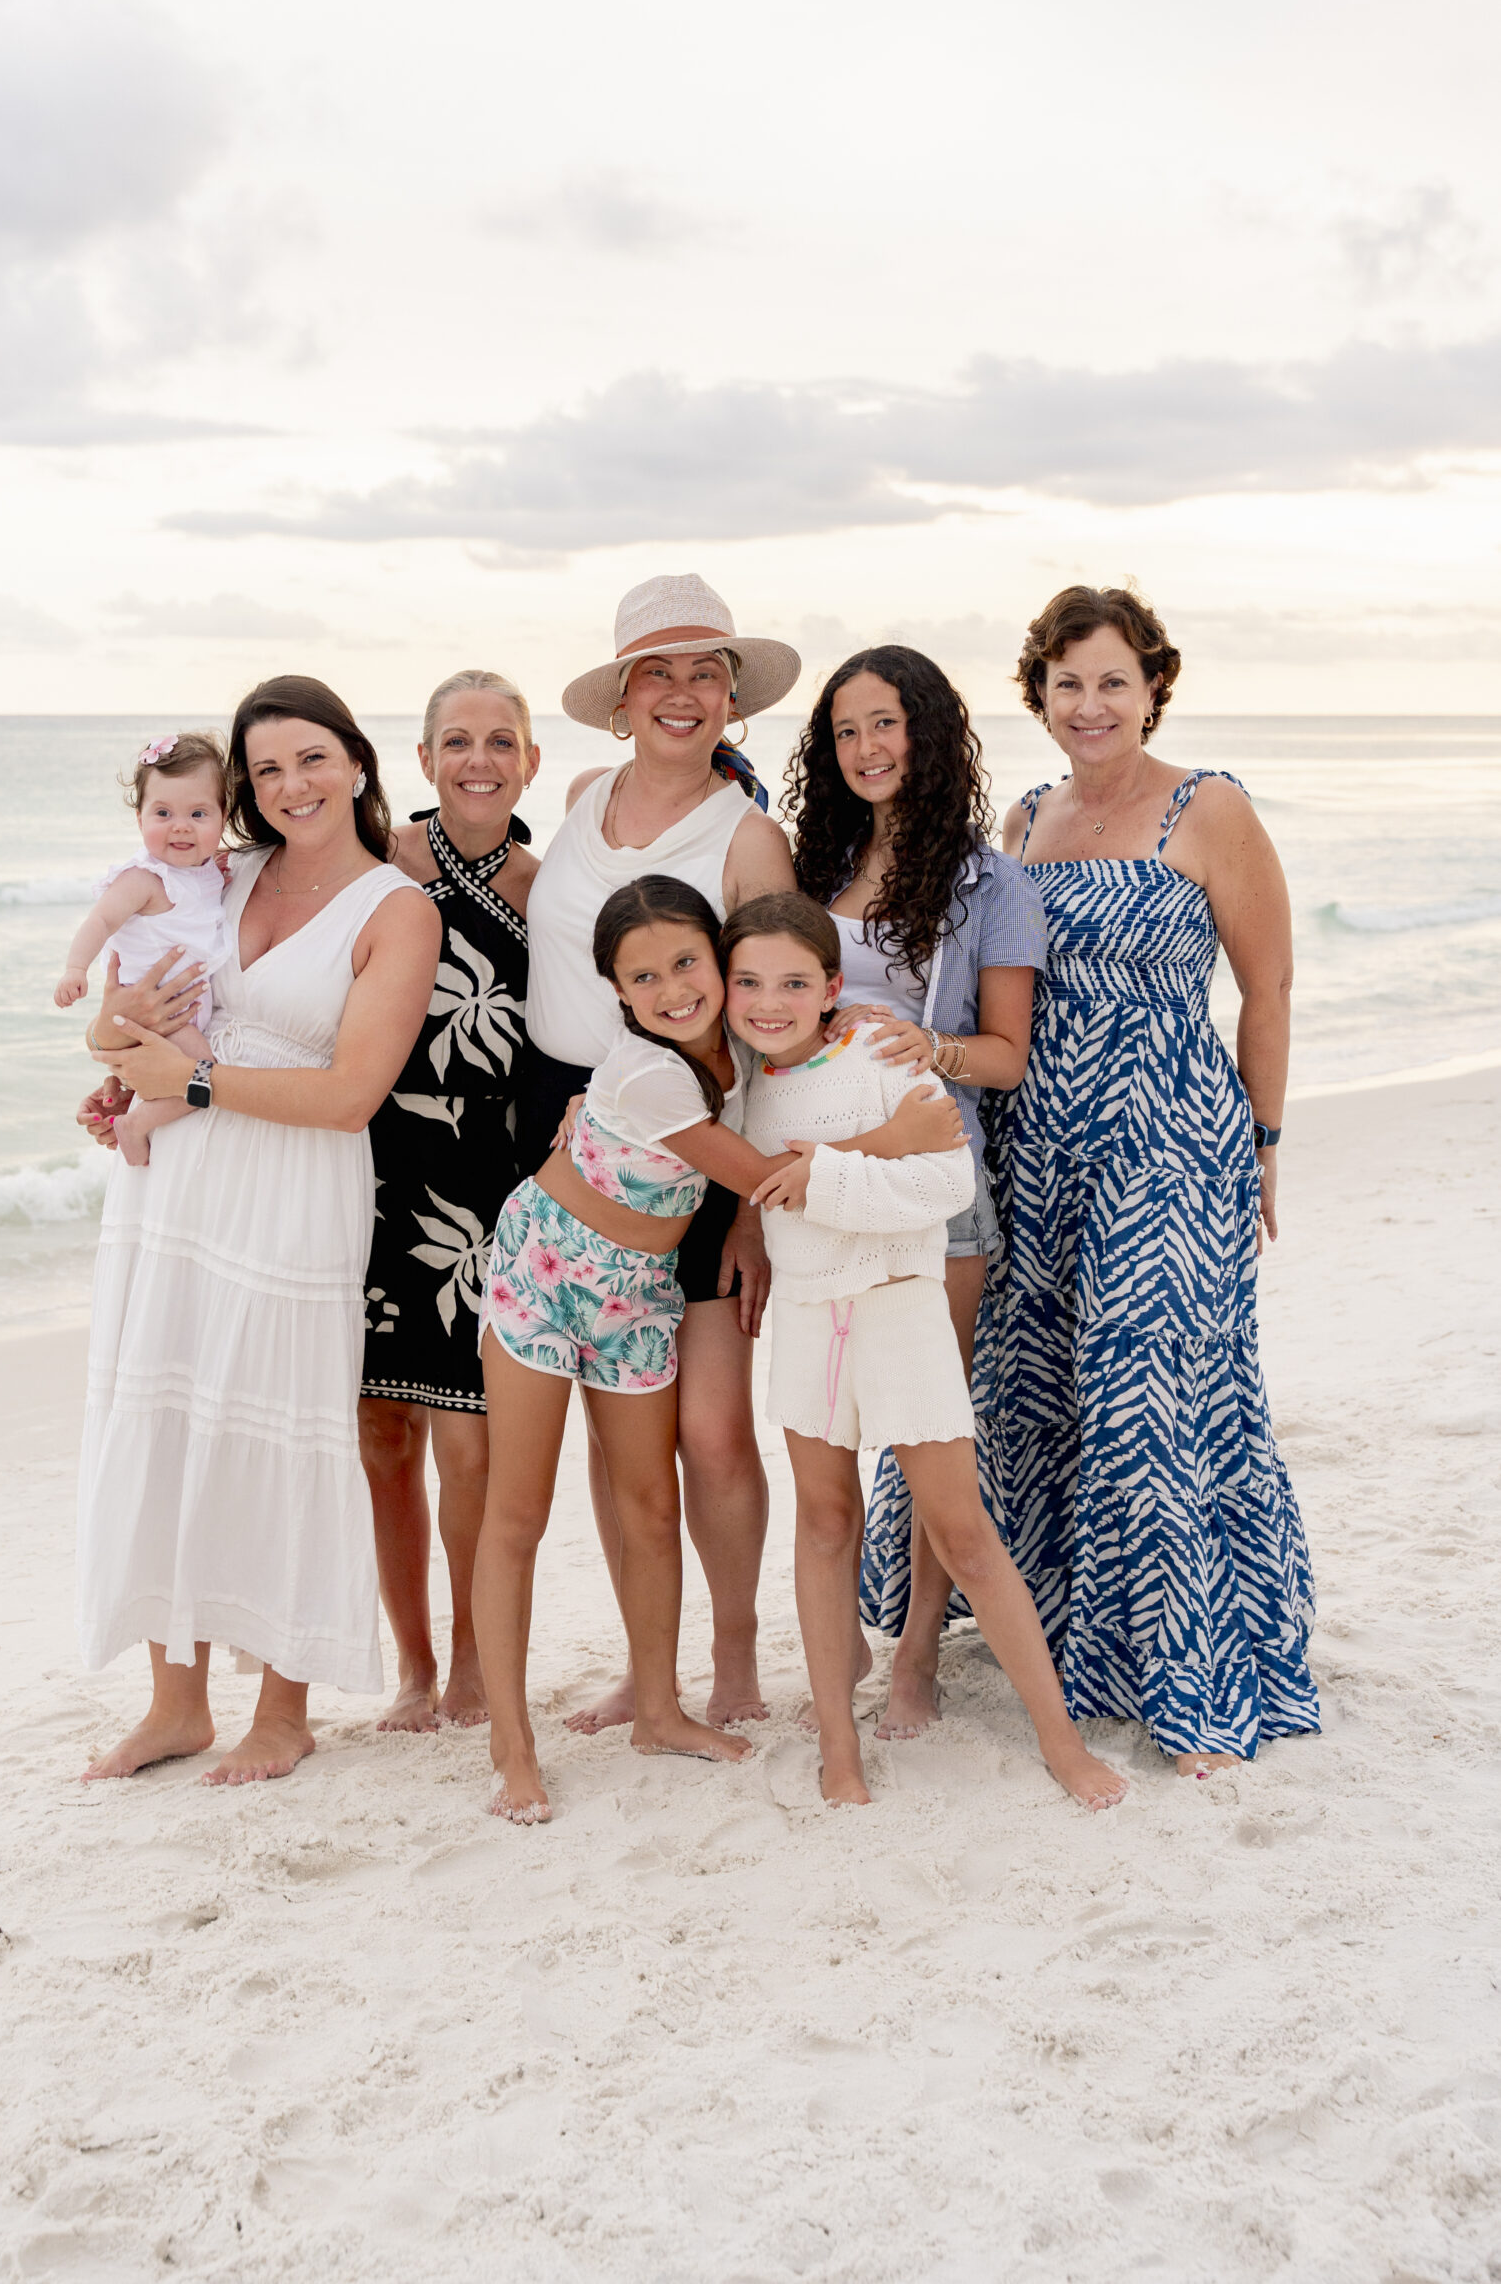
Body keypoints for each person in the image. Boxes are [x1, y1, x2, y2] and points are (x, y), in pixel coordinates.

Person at [474, 875, 946, 1823]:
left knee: (651, 1507)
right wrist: (897, 1135)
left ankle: (659, 1712)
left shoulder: (738, 1041)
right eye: (641, 976)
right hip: (546, 1277)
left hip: (641, 1294)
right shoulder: (648, 1072)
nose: (671, 989)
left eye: (688, 964)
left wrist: (837, 1011)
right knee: (516, 1514)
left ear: (725, 968)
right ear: (615, 990)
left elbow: (783, 1089)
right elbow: (771, 1174)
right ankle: (511, 1748)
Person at [977, 584, 1318, 1776]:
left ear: (1153, 687)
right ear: (1040, 695)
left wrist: (1264, 1145)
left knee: (1149, 1401)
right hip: (1037, 1146)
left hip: (1169, 1141)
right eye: (1068, 682)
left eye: (1113, 680)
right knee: (1043, 1392)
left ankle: (1200, 1683)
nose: (1090, 703)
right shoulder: (1024, 816)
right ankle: (1086, 1642)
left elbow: (1266, 991)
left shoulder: (1207, 806)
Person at [76, 675, 441, 1787]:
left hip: (294, 1180)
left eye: (312, 759)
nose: (291, 785)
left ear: (358, 763)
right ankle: (175, 1703)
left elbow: (351, 1094)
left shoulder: (395, 907)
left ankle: (283, 1709)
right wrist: (116, 1070)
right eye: (268, 768)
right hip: (175, 1180)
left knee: (281, 1422)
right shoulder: (214, 874)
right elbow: (120, 1007)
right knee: (169, 1410)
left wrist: (190, 1080)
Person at [725, 891, 1129, 1812]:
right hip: (804, 1324)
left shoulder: (877, 1051)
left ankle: (1060, 1744)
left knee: (963, 1533)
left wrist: (818, 1175)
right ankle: (839, 1746)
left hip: (898, 1312)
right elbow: (744, 1174)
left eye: (793, 981)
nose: (769, 1001)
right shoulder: (739, 1078)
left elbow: (945, 1178)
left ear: (832, 985)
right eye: (747, 982)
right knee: (825, 1527)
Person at [521, 574, 801, 1732]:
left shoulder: (748, 837)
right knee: (619, 1428)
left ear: (731, 697)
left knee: (713, 1429)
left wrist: (750, 1209)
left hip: (701, 1147)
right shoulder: (583, 796)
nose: (682, 693)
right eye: (660, 671)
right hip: (566, 1135)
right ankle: (651, 1667)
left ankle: (733, 1658)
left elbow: (779, 1032)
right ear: (623, 695)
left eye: (706, 672)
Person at [783, 645, 1047, 1736]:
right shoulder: (816, 869)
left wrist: (925, 1045)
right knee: (828, 1435)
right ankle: (838, 1655)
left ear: (928, 732)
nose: (865, 748)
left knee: (929, 1434)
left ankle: (920, 1655)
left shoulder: (992, 883)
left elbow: (1007, 1056)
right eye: (845, 731)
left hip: (938, 1191)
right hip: (819, 1192)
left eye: (884, 723)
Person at [357, 670, 539, 1733]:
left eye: (500, 740)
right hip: (375, 1166)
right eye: (458, 740)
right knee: (383, 1430)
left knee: (469, 1438)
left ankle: (475, 1658)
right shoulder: (380, 868)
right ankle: (414, 1669)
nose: (480, 758)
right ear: (423, 760)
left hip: (486, 1183)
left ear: (528, 760)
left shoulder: (542, 887)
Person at [54, 731, 230, 1166]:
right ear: (139, 819)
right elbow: (100, 920)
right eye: (163, 812)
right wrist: (76, 968)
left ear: (223, 818)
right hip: (161, 1017)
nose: (181, 825)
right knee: (207, 1078)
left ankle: (128, 1101)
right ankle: (137, 1124)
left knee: (189, 1079)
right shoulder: (143, 879)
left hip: (177, 1012)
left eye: (198, 813)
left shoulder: (208, 871)